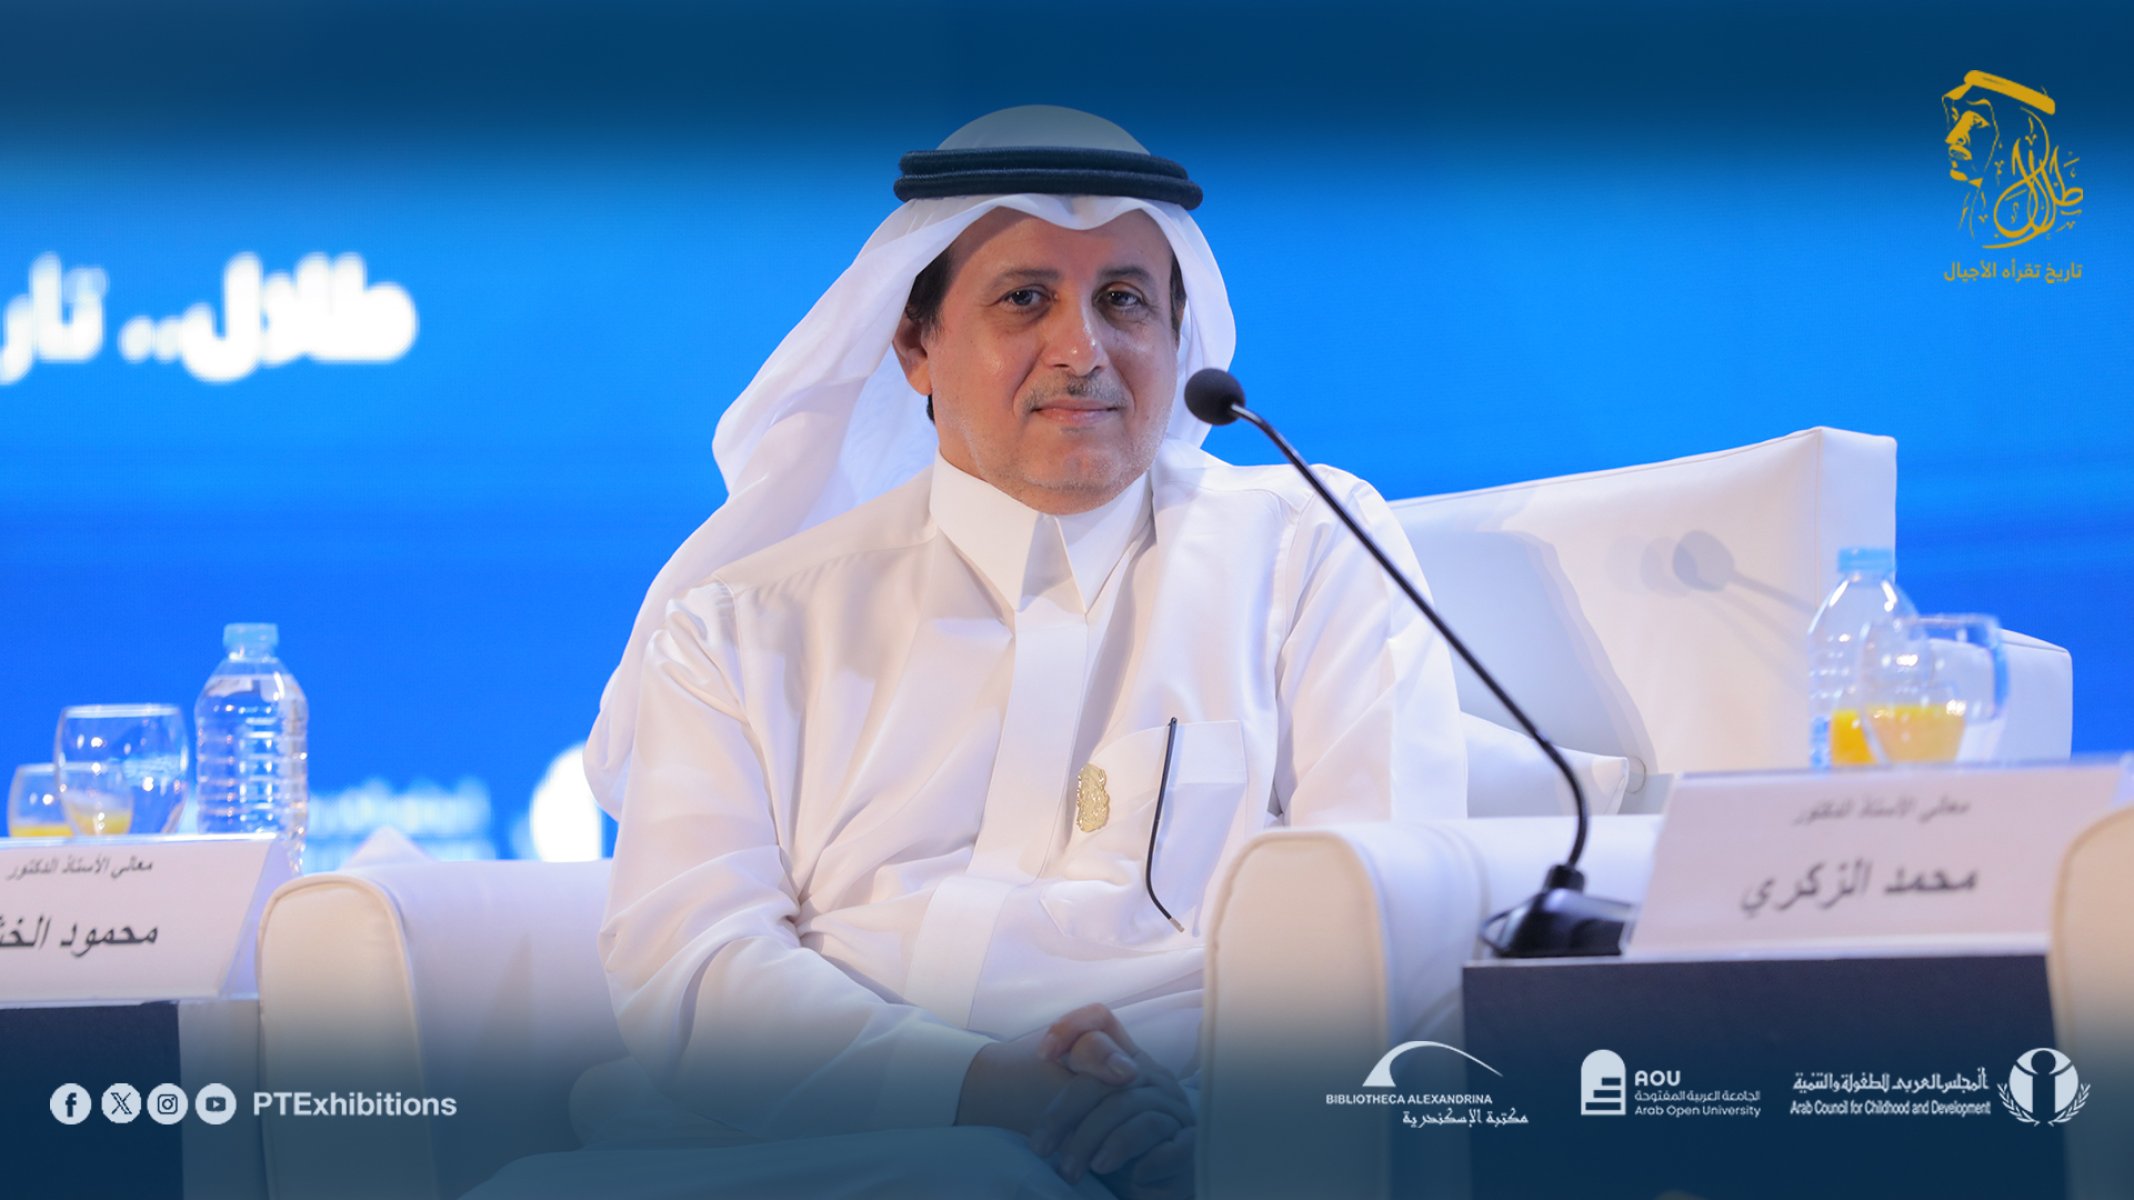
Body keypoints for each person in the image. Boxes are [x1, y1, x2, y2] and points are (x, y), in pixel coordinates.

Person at [547, 105, 1466, 1198]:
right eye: (1025, 298)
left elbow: (1390, 904)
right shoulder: (742, 624)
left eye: (1124, 301)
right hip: (817, 1143)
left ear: (1177, 340)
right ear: (915, 346)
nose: (1083, 351)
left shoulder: (1307, 550)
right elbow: (692, 965)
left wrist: (1221, 1122)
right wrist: (975, 1088)